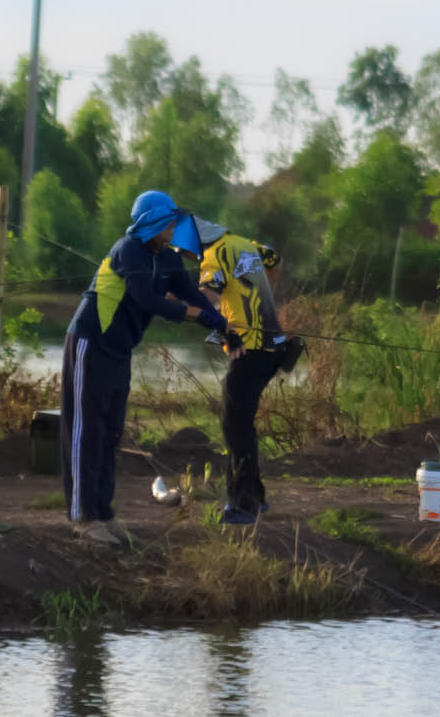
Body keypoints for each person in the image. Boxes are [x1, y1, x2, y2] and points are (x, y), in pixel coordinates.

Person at [61, 191, 232, 545]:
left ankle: (103, 514)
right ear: (150, 222)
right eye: (166, 222)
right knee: (85, 432)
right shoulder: (127, 250)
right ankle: (82, 517)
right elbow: (147, 300)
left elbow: (190, 292)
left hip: (119, 351)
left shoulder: (166, 258)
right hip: (89, 343)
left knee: (110, 434)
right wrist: (195, 316)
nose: (172, 229)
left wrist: (217, 319)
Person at [191, 217, 302, 525]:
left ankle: (243, 505)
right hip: (273, 347)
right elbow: (274, 259)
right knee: (241, 423)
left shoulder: (214, 255)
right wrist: (262, 292)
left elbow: (207, 298)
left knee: (235, 426)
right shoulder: (246, 245)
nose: (188, 257)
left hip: (250, 348)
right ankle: (256, 496)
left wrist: (174, 301)